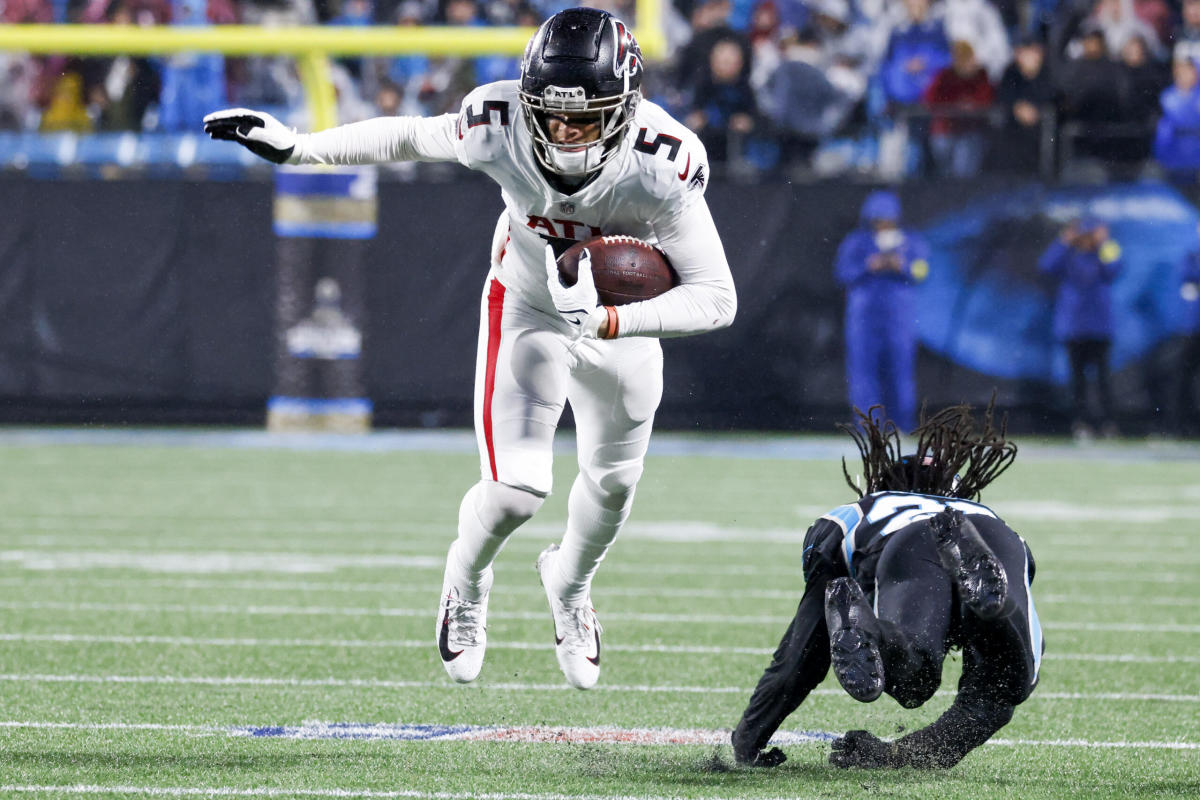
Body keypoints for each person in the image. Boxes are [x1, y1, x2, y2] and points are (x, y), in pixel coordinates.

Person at [203, 7, 737, 691]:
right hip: (529, 305)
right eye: (554, 117)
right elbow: (409, 137)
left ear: (626, 110)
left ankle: (569, 588)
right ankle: (465, 581)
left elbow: (716, 298)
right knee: (518, 490)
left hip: (618, 322)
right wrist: (301, 149)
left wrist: (607, 321)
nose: (567, 134)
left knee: (615, 485)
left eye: (586, 119)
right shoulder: (499, 122)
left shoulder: (664, 162)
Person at [731, 400, 1043, 769]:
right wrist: (893, 756)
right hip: (996, 539)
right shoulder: (986, 514)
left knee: (917, 677)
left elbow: (800, 659)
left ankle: (873, 631)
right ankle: (993, 604)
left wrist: (747, 741)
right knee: (1003, 685)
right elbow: (983, 712)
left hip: (906, 543)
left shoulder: (861, 510)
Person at [835, 190, 929, 433]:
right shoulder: (856, 242)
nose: (882, 223)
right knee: (864, 375)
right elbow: (842, 273)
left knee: (900, 374)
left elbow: (923, 272)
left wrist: (903, 266)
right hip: (864, 321)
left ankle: (901, 427)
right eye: (877, 218)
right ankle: (869, 429)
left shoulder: (911, 241)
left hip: (899, 320)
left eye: (887, 218)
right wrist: (868, 266)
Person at [1038, 217, 1122, 439]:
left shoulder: (1103, 253)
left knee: (1104, 379)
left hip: (1100, 326)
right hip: (1074, 326)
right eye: (1082, 234)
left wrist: (1104, 242)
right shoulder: (1068, 256)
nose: (1086, 238)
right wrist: (1064, 241)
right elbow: (1046, 265)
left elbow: (1115, 269)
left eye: (1089, 233)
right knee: (1078, 381)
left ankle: (1108, 424)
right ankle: (1081, 424)